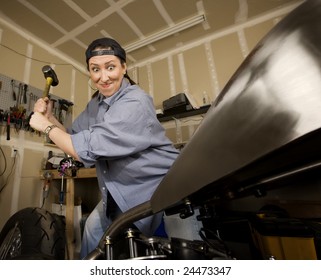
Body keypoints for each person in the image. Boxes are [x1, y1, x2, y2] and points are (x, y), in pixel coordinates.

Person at [30, 37, 179, 259]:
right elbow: (73, 138)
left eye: (111, 67)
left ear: (124, 67)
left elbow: (84, 149)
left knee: (184, 252)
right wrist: (50, 117)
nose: (104, 77)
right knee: (92, 229)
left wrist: (46, 126)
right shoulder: (96, 104)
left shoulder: (135, 101)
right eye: (95, 69)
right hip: (120, 191)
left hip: (164, 187)